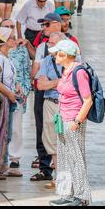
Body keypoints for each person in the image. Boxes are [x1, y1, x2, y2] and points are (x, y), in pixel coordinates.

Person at [48, 40, 92, 206]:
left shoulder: (79, 72)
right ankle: (66, 194)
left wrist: (77, 121)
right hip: (63, 120)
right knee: (65, 159)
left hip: (73, 120)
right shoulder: (66, 70)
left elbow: (88, 100)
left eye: (56, 53)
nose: (54, 56)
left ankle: (82, 197)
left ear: (64, 55)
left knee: (76, 159)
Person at [30, 12, 62, 183]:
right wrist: (53, 82)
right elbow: (36, 74)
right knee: (42, 129)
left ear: (58, 24)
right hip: (43, 94)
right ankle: (45, 167)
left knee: (63, 134)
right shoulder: (42, 47)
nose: (43, 28)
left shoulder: (72, 43)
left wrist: (52, 81)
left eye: (47, 25)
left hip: (65, 98)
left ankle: (63, 172)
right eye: (42, 25)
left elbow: (72, 76)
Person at [35, 31, 67, 189]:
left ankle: (68, 175)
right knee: (51, 140)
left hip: (67, 104)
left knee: (67, 139)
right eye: (49, 43)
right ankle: (58, 176)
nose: (49, 46)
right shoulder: (46, 60)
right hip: (50, 103)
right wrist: (60, 81)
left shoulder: (72, 59)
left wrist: (51, 82)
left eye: (53, 43)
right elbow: (40, 85)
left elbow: (73, 84)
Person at [1, 19, 32, 177]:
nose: (9, 29)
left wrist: (25, 91)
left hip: (18, 95)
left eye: (11, 26)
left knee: (16, 128)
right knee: (1, 127)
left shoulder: (22, 50)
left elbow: (28, 72)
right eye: (5, 26)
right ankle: (0, 158)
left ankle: (14, 158)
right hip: (1, 93)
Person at [0, 27, 19, 180]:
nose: (14, 39)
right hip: (2, 100)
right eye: (11, 37)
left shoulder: (7, 57)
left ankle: (2, 165)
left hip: (9, 99)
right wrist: (9, 93)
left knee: (6, 133)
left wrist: (15, 89)